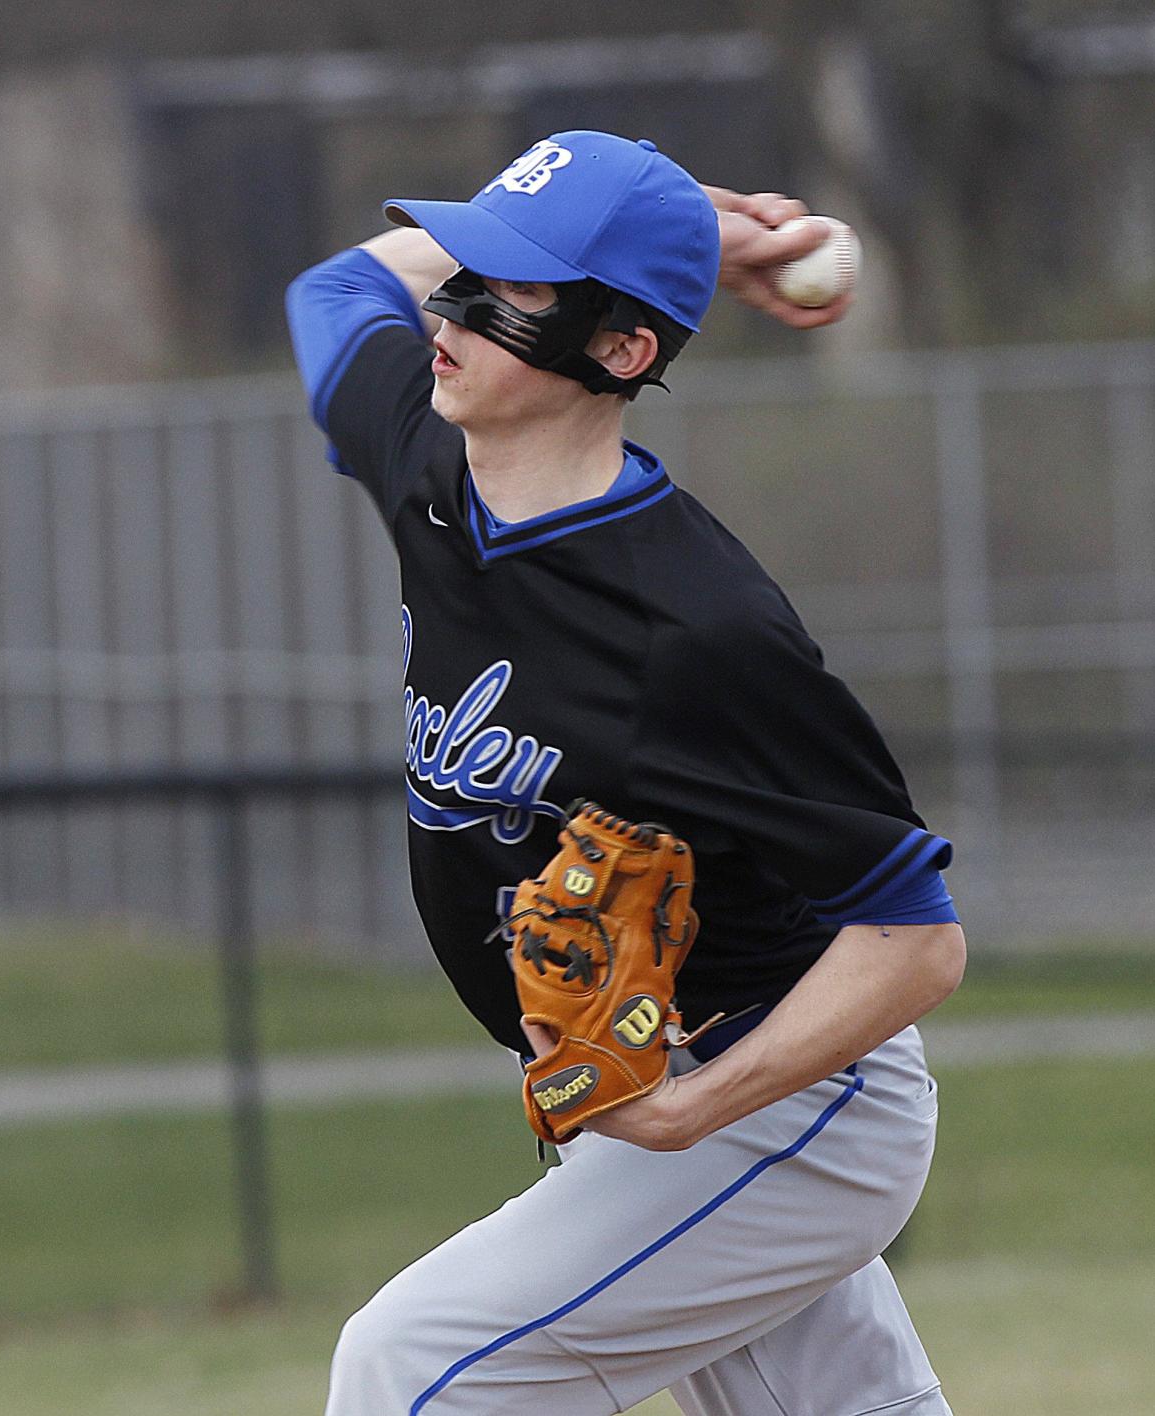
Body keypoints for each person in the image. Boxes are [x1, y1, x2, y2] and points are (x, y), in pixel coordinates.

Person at [286, 130, 965, 1416]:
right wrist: (683, 220)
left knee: (414, 1369)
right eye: (464, 262)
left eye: (510, 290)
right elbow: (336, 290)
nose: (452, 310)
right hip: (639, 1078)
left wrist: (697, 1110)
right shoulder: (429, 462)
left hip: (788, 1102)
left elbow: (914, 938)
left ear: (621, 350)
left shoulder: (698, 631)